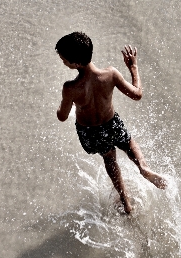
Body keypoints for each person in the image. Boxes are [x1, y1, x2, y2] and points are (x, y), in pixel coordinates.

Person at [55, 32, 166, 214]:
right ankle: (144, 168)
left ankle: (126, 203)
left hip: (91, 132)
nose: (63, 62)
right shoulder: (110, 74)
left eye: (64, 60)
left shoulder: (70, 88)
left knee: (109, 158)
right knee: (129, 144)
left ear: (75, 63)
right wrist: (134, 69)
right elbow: (137, 94)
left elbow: (62, 116)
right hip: (111, 123)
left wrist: (61, 107)